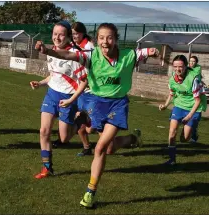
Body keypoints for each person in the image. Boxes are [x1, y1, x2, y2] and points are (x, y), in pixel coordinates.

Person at [35, 22, 159, 209]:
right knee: (109, 149)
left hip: (118, 105)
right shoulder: (91, 57)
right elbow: (68, 54)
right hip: (98, 104)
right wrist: (47, 51)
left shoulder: (129, 55)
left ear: (116, 39)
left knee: (100, 148)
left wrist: (157, 53)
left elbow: (150, 52)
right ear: (97, 40)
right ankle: (132, 138)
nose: (105, 42)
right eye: (101, 38)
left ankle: (90, 192)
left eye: (109, 37)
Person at [29, 21, 85, 179]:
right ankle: (47, 168)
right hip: (52, 94)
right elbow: (54, 75)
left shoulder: (75, 54)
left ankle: (81, 121)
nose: (57, 37)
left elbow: (84, 81)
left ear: (68, 36)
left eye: (61, 34)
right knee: (44, 131)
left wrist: (72, 99)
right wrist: (40, 83)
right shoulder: (51, 51)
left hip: (68, 97)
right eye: (55, 34)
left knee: (64, 138)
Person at [159, 55, 207, 165]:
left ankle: (193, 131)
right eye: (175, 66)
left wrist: (189, 116)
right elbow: (172, 94)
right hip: (179, 106)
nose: (177, 69)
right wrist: (165, 106)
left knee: (184, 139)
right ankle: (172, 160)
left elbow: (198, 100)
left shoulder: (193, 78)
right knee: (172, 132)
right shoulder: (172, 79)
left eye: (180, 66)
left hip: (193, 108)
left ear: (185, 66)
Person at [72, 21, 95, 156]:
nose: (74, 36)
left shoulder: (89, 46)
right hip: (81, 90)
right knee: (80, 124)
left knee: (91, 129)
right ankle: (87, 148)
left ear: (82, 33)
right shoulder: (75, 46)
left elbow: (91, 67)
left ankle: (130, 139)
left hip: (92, 90)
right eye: (73, 34)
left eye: (77, 33)